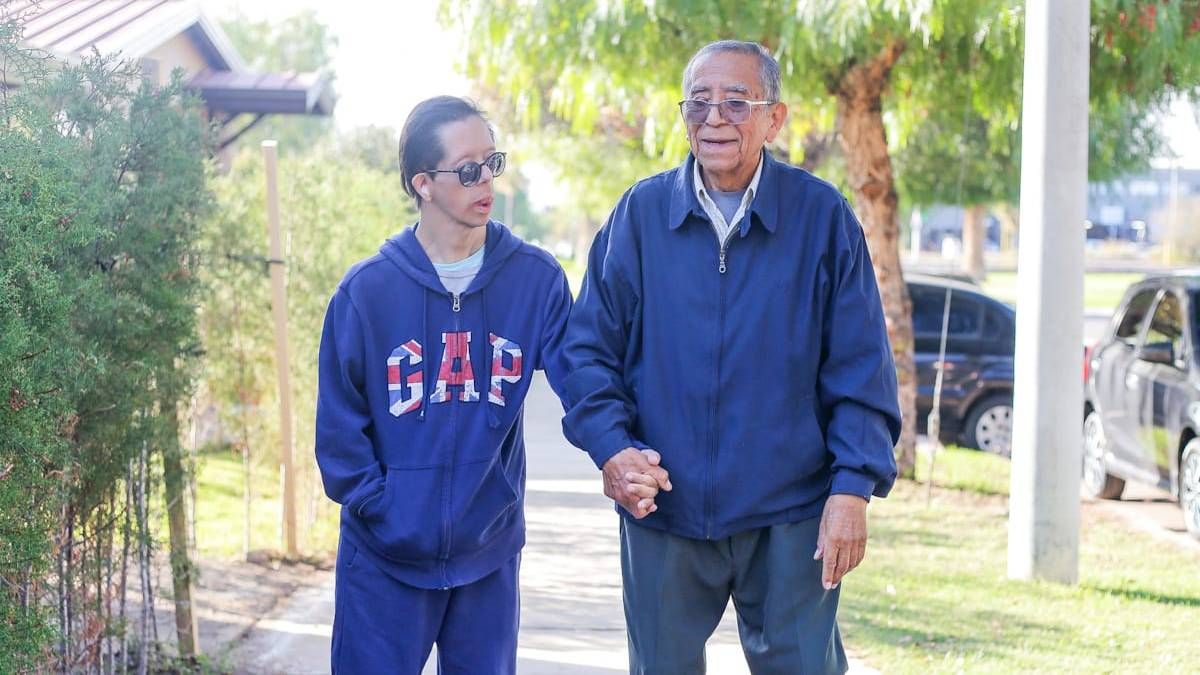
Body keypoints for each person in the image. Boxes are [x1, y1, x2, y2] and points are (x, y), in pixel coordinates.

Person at [562, 41, 902, 674]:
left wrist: (852, 489)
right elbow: (586, 351)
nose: (714, 117)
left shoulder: (822, 218)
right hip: (662, 505)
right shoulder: (639, 216)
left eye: (736, 102)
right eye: (698, 102)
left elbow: (860, 367)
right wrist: (612, 449)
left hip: (791, 514)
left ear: (774, 119)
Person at [315, 95, 572, 674]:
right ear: (424, 183)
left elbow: (585, 382)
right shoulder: (367, 294)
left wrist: (622, 449)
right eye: (468, 169)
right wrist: (388, 511)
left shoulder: (535, 280)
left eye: (492, 162)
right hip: (383, 559)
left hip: (488, 554)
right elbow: (338, 435)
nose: (487, 182)